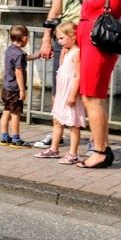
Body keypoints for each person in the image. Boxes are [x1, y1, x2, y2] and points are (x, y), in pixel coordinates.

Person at [32, 0, 106, 149]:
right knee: (59, 87)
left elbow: (100, 9)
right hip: (64, 39)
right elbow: (55, 11)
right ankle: (57, 133)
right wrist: (47, 38)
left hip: (87, 38)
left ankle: (94, 138)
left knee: (89, 90)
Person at [75, 0, 121, 168]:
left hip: (98, 47)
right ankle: (101, 147)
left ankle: (100, 151)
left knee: (92, 97)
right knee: (91, 97)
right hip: (90, 45)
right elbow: (90, 10)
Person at [36, 21, 86, 163]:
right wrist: (63, 51)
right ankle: (54, 148)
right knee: (57, 120)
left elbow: (78, 75)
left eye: (62, 38)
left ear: (73, 36)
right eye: (58, 38)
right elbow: (62, 66)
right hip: (61, 92)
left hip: (70, 92)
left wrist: (72, 94)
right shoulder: (68, 51)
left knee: (73, 123)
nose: (59, 41)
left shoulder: (77, 53)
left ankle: (73, 153)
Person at [0, 25, 38, 148]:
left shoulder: (10, 50)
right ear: (25, 39)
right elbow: (19, 72)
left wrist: (38, 55)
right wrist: (22, 89)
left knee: (6, 111)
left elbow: (24, 58)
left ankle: (5, 137)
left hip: (6, 87)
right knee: (15, 114)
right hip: (15, 89)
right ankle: (16, 139)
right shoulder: (19, 54)